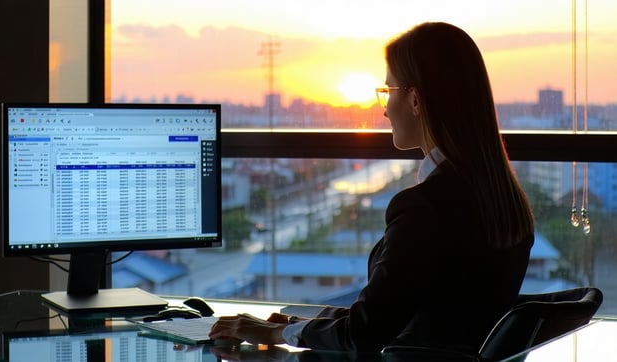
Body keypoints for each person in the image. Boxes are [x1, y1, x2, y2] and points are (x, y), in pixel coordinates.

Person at [209, 21, 535, 353]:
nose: (383, 109)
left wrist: (275, 336)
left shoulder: (424, 208)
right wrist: (297, 327)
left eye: (388, 91)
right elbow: (397, 315)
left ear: (415, 101)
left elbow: (366, 333)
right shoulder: (505, 201)